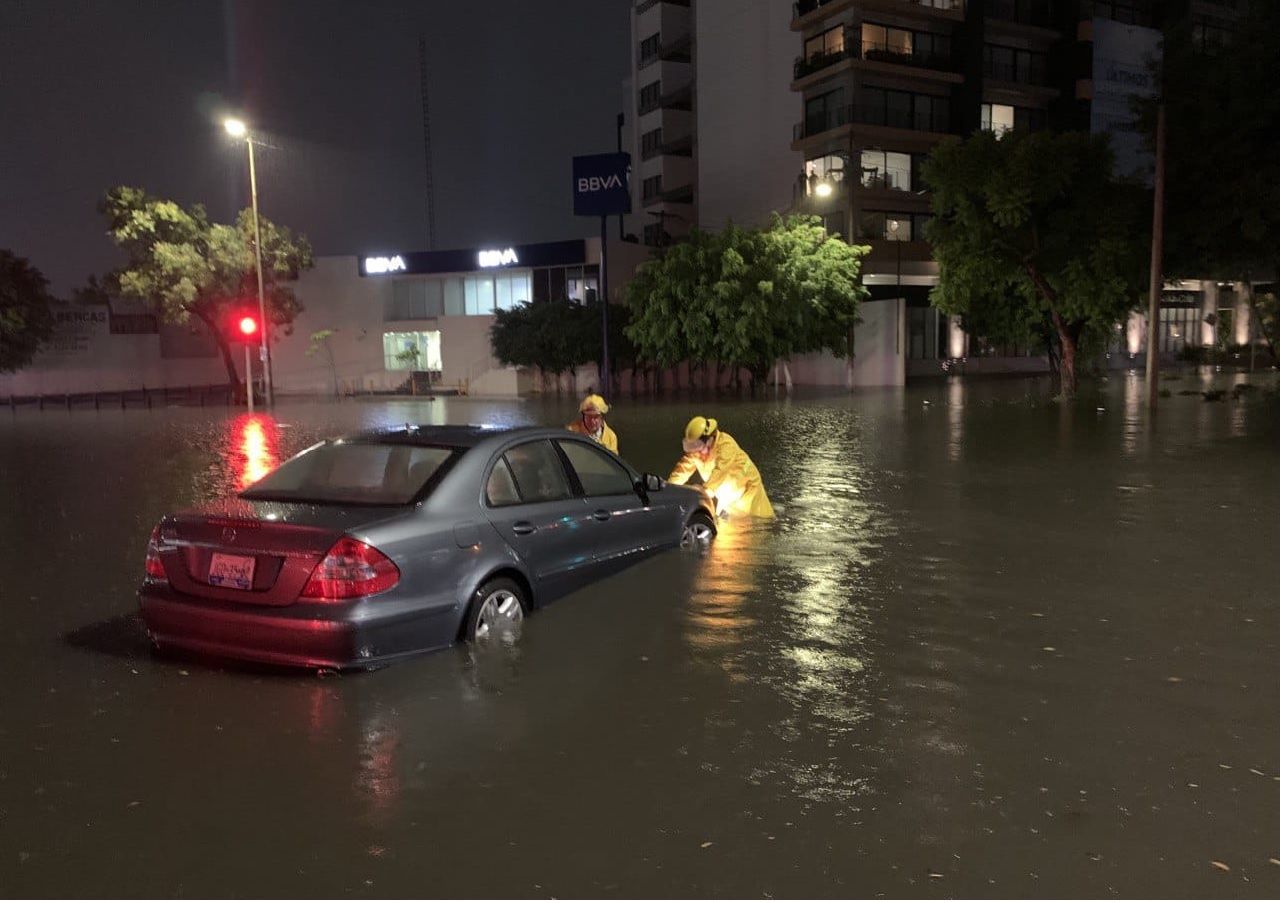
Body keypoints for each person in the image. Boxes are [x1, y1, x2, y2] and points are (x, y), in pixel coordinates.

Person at [667, 416, 774, 518]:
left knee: (756, 522)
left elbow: (720, 470)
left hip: (748, 489)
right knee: (725, 527)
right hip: (726, 493)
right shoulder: (695, 451)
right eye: (690, 446)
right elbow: (683, 469)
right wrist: (669, 488)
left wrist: (705, 490)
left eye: (697, 446)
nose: (695, 452)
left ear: (709, 440)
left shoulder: (726, 445)